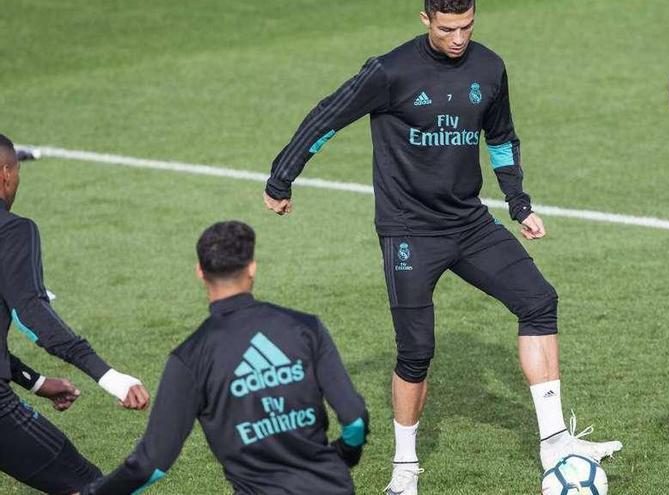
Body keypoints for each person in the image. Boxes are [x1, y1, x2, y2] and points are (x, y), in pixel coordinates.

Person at [262, 1, 621, 492]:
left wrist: (518, 203)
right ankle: (404, 471)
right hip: (408, 231)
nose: (458, 38)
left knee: (539, 300)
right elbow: (328, 116)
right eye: (448, 28)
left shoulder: (490, 67)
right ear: (425, 19)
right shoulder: (389, 72)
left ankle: (555, 441)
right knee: (416, 351)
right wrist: (282, 178)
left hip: (469, 223)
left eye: (467, 26)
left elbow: (501, 137)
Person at [82, 221, 369, 495]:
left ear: (199, 271)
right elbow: (355, 419)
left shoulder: (190, 358)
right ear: (252, 268)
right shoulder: (306, 328)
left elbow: (151, 463)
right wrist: (343, 457)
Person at [0, 133, 150, 494]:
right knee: (88, 484)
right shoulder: (13, 231)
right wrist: (110, 377)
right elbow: (32, 315)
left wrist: (35, 382)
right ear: (5, 175)